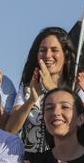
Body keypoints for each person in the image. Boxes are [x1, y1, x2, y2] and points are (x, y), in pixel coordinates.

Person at [6, 27, 78, 156]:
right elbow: (10, 130)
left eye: (54, 50)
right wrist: (31, 101)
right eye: (43, 50)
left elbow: (83, 126)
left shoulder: (77, 88)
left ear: (65, 55)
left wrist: (53, 90)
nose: (48, 55)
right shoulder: (28, 89)